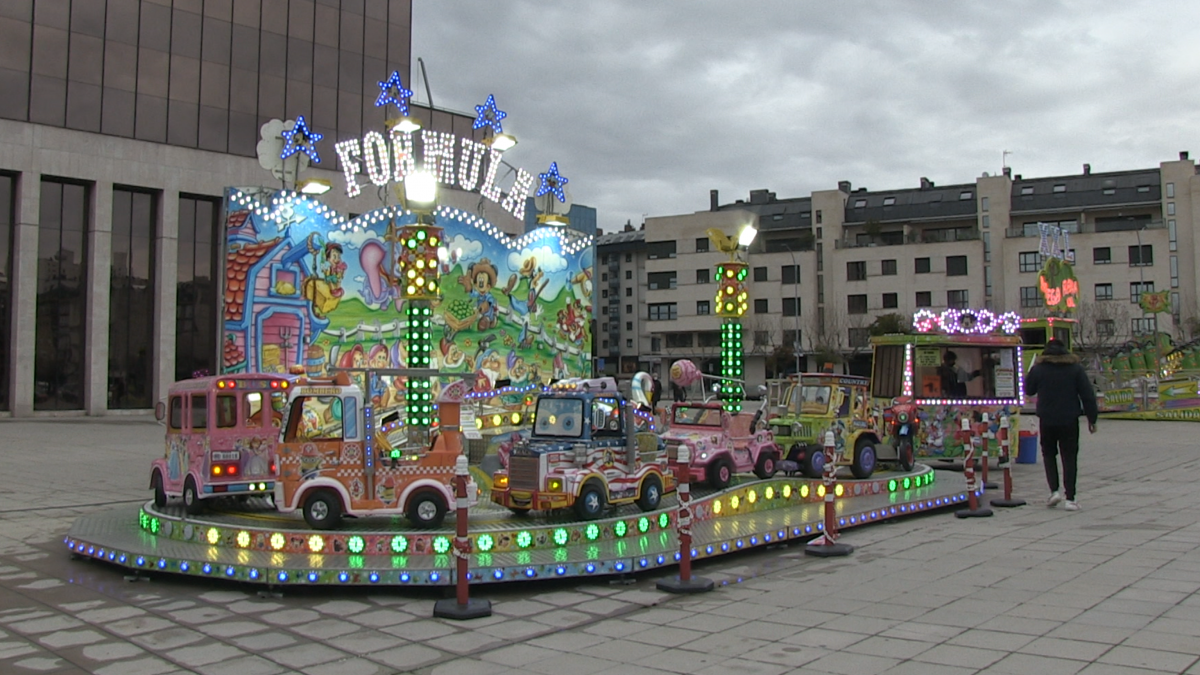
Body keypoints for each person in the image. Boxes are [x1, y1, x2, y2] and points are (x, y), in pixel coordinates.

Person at [1024, 338, 1098, 511]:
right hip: (1069, 419)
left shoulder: (1039, 369)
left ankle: (1054, 491)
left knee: (1049, 455)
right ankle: (1071, 498)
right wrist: (1092, 419)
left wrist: (1033, 370)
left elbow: (1029, 390)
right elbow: (1087, 395)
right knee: (1069, 457)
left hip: (1047, 419)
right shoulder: (1076, 369)